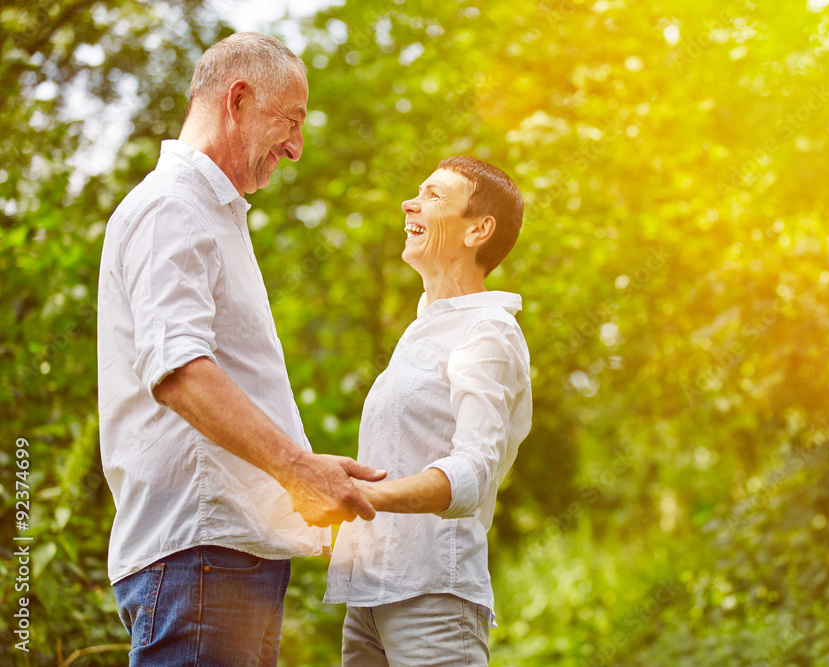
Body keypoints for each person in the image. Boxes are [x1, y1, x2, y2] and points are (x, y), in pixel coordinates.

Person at [96, 32, 384, 665]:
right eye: (292, 120)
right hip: (200, 559)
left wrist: (302, 463)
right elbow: (180, 374)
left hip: (228, 559)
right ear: (239, 98)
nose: (297, 147)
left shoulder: (212, 214)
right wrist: (299, 470)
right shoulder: (171, 208)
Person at [324, 156, 532, 666]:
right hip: (368, 594)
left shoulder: (488, 331)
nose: (409, 203)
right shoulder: (422, 331)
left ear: (478, 229)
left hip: (433, 596)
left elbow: (474, 470)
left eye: (435, 195)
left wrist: (364, 496)